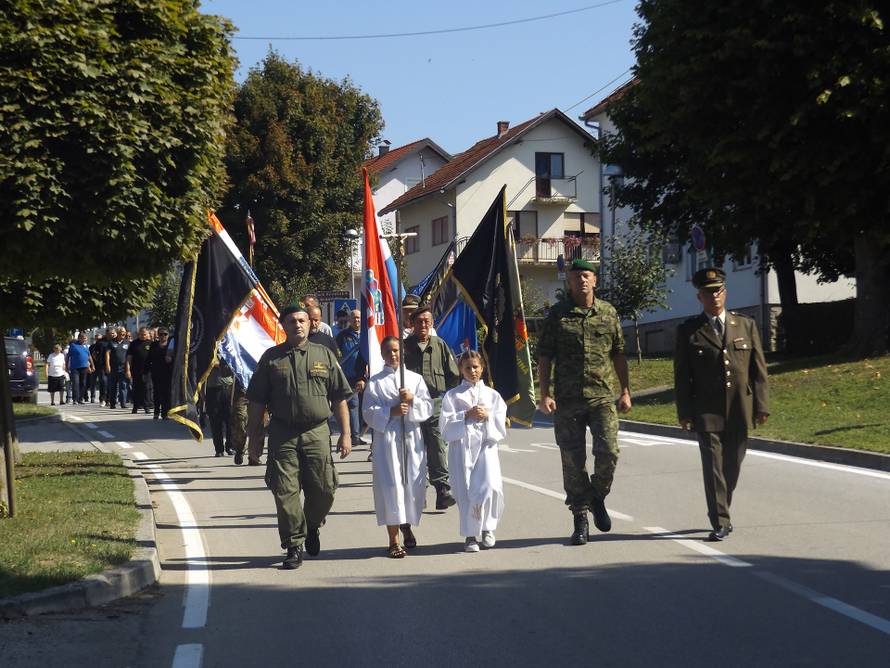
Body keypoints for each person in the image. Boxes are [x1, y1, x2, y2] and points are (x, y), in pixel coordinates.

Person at [246, 305, 353, 570]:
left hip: (317, 432)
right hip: (283, 433)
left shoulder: (324, 355)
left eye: (302, 320)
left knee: (325, 489)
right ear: (283, 325)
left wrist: (347, 434)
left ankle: (312, 525)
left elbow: (339, 397)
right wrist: (254, 437)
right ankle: (293, 545)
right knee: (285, 491)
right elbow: (257, 402)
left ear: (310, 324)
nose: (298, 325)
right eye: (292, 321)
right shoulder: (271, 358)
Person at [537, 258, 632, 546]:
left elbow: (618, 353)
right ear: (569, 281)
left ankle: (597, 495)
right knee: (572, 460)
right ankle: (580, 517)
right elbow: (544, 356)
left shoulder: (608, 313)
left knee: (609, 451)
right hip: (567, 399)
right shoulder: (557, 315)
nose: (582, 280)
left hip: (602, 396)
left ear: (595, 281)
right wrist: (544, 394)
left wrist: (625, 390)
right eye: (576, 276)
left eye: (586, 275)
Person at [674, 268, 769, 542]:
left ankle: (722, 504)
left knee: (733, 465)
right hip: (706, 410)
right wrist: (685, 413)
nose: (714, 296)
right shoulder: (689, 331)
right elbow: (682, 377)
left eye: (718, 291)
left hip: (740, 407)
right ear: (699, 297)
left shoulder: (745, 325)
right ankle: (721, 520)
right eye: (708, 292)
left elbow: (758, 370)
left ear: (724, 293)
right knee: (713, 467)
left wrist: (762, 405)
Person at [362, 336, 433, 558]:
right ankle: (393, 540)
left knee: (412, 485)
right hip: (388, 440)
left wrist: (413, 400)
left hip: (411, 437)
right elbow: (367, 411)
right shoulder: (375, 382)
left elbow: (428, 407)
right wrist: (389, 412)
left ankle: (406, 524)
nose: (393, 355)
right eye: (388, 351)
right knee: (391, 487)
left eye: (396, 351)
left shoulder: (415, 379)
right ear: (382, 354)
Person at [440, 350, 508, 552]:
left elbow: (500, 420)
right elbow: (444, 426)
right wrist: (465, 414)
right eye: (468, 367)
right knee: (465, 490)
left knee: (490, 486)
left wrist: (488, 415)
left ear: (482, 368)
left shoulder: (492, 395)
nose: (472, 371)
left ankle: (487, 528)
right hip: (462, 448)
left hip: (486, 446)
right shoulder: (452, 396)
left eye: (476, 367)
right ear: (461, 370)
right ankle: (470, 535)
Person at [403, 305, 460, 510]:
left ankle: (442, 490)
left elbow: (453, 375)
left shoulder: (440, 345)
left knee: (437, 446)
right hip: (411, 405)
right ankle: (419, 492)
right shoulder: (405, 347)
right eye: (419, 322)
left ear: (432, 323)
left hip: (435, 403)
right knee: (415, 449)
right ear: (412, 324)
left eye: (427, 321)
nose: (423, 325)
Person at [335, 309, 369, 449]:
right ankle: (354, 436)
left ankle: (358, 433)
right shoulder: (342, 336)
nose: (357, 320)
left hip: (363, 376)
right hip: (347, 376)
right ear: (349, 320)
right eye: (354, 318)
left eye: (359, 318)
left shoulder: (367, 336)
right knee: (353, 405)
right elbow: (336, 355)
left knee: (363, 406)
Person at [206, 361, 234, 456]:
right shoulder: (209, 348)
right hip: (213, 388)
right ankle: (219, 449)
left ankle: (230, 446)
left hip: (230, 388)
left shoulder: (231, 347)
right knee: (215, 421)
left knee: (231, 420)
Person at [146, 328, 172, 419]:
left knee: (166, 393)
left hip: (168, 373)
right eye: (161, 334)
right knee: (156, 393)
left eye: (165, 334)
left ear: (168, 335)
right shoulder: (153, 345)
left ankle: (165, 413)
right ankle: (156, 412)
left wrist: (171, 359)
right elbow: (148, 359)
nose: (163, 336)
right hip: (156, 372)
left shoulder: (171, 345)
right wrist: (145, 372)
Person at [126, 327, 154, 415]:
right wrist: (128, 369)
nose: (143, 336)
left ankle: (147, 407)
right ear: (139, 334)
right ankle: (135, 407)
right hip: (136, 370)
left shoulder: (151, 343)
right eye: (141, 334)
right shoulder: (134, 344)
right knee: (136, 389)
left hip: (147, 370)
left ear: (148, 334)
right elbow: (129, 358)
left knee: (146, 388)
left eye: (145, 334)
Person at [66, 333, 93, 404]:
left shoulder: (86, 346)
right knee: (76, 383)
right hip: (75, 368)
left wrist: (92, 365)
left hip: (84, 367)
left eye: (85, 338)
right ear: (79, 338)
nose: (85, 340)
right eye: (83, 338)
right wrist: (66, 366)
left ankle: (80, 399)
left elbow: (89, 356)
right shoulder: (73, 346)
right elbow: (68, 357)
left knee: (83, 384)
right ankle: (75, 399)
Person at [105, 328, 128, 409]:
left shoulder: (127, 342)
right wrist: (107, 365)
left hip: (123, 368)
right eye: (121, 332)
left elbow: (130, 356)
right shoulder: (111, 342)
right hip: (113, 368)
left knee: (123, 386)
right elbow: (107, 354)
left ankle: (123, 403)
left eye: (124, 332)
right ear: (117, 333)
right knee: (113, 386)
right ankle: (112, 403)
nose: (123, 334)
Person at [88, 333, 106, 404]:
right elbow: (90, 356)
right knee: (93, 382)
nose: (98, 340)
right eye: (97, 338)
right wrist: (92, 364)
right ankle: (92, 396)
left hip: (101, 367)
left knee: (102, 382)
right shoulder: (92, 346)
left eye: (99, 338)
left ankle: (102, 397)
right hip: (94, 366)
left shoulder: (103, 345)